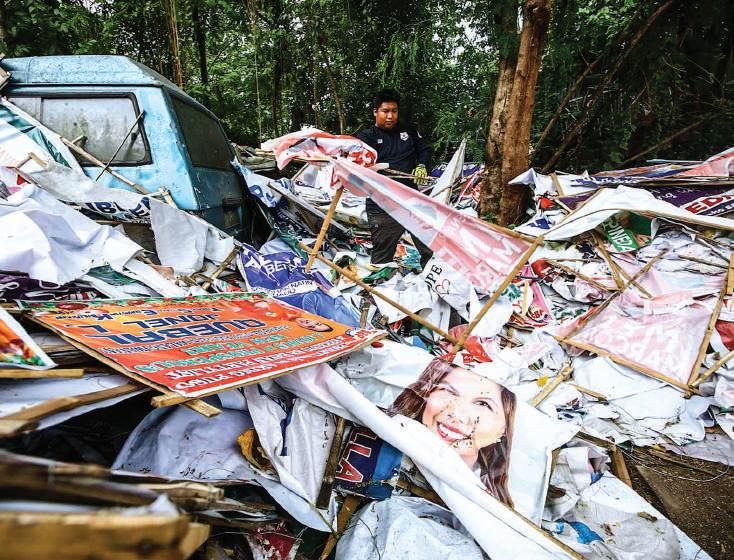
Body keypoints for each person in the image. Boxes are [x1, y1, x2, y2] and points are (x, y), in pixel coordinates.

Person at [389, 358, 516, 507]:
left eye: (482, 404)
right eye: (449, 391)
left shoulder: (492, 506)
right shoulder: (385, 446)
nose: (456, 414)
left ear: (503, 429)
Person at [356, 89, 433, 269]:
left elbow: (424, 150)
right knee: (382, 256)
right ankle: (382, 284)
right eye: (385, 111)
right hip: (381, 203)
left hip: (411, 200)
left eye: (394, 111)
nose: (390, 116)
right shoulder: (366, 137)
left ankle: (434, 278)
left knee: (430, 247)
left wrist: (422, 165)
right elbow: (358, 164)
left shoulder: (408, 131)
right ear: (375, 112)